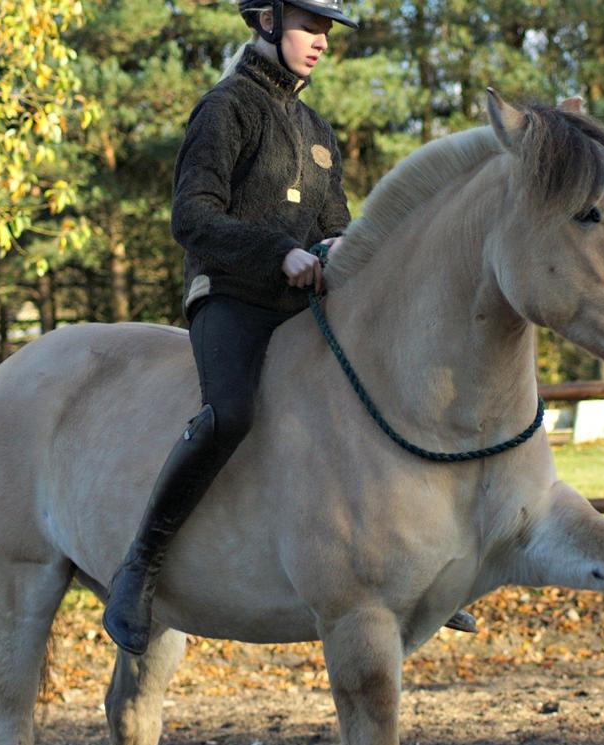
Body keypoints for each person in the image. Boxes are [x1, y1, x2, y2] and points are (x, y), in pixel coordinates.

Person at [102, 0, 476, 655]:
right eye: (310, 26)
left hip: (301, 303)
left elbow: (337, 222)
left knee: (382, 393)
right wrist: (278, 252)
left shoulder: (316, 127)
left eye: (327, 30)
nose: (322, 42)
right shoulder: (226, 108)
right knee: (232, 413)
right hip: (232, 296)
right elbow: (191, 218)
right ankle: (140, 566)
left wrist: (338, 249)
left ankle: (413, 564)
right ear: (267, 21)